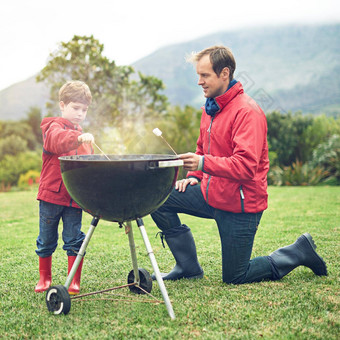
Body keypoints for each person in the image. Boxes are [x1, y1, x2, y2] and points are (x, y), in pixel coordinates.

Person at [151, 46, 328, 284]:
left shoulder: (247, 112)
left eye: (205, 75)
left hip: (241, 203)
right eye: (198, 75)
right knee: (157, 198)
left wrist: (202, 163)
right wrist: (194, 175)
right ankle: (187, 267)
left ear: (225, 73)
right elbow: (203, 147)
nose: (199, 81)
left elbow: (246, 167)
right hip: (210, 193)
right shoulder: (209, 108)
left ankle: (298, 252)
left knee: (236, 276)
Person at [35, 80, 95, 294]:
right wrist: (78, 138)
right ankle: (45, 278)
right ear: (62, 105)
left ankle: (73, 280)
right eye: (75, 108)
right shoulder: (52, 127)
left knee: (74, 240)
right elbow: (56, 141)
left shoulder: (84, 137)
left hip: (73, 200)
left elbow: (88, 168)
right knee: (46, 239)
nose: (80, 113)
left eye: (84, 110)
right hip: (51, 197)